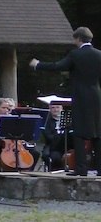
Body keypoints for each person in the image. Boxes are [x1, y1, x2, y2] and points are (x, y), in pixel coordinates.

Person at [31, 26, 101, 176]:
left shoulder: (76, 54)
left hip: (81, 97)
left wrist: (38, 65)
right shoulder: (99, 54)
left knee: (79, 132)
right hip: (96, 96)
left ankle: (81, 169)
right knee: (97, 132)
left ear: (78, 39)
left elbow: (58, 66)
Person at [42, 103, 68, 171]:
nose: (55, 110)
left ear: (62, 109)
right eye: (53, 108)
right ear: (49, 109)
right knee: (51, 156)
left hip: (66, 145)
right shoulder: (47, 121)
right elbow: (48, 136)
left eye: (57, 107)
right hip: (53, 146)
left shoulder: (67, 120)